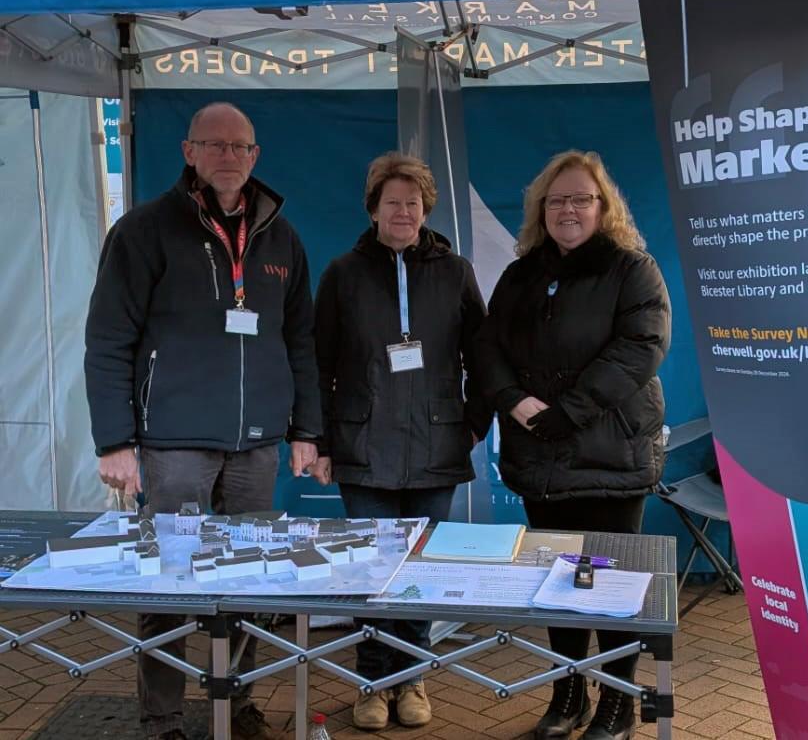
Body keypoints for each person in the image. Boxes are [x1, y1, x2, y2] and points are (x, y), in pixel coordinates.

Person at [85, 101, 320, 740]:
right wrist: (114, 440)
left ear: (255, 156)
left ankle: (234, 702)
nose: (226, 156)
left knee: (248, 581)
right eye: (212, 145)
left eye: (238, 146)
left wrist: (306, 429)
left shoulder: (281, 236)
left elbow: (300, 339)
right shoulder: (143, 230)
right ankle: (162, 719)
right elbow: (107, 339)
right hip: (172, 444)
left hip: (255, 447)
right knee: (169, 583)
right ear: (189, 152)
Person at [475, 150, 671, 740]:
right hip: (541, 456)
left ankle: (614, 702)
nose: (568, 209)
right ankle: (568, 695)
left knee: (608, 583)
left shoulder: (633, 269)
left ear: (602, 206)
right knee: (558, 580)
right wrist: (512, 399)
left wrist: (571, 412)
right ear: (541, 209)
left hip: (610, 453)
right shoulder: (522, 273)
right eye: (556, 199)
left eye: (581, 198)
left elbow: (642, 345)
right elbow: (487, 346)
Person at [310, 152, 489, 732]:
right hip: (362, 447)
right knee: (370, 572)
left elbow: (483, 356)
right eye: (393, 203)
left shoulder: (456, 272)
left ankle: (410, 679)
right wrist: (319, 440)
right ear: (373, 208)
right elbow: (319, 361)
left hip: (437, 445)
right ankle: (371, 683)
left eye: (413, 203)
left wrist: (477, 422)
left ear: (425, 208)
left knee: (417, 570)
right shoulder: (343, 273)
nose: (404, 212)